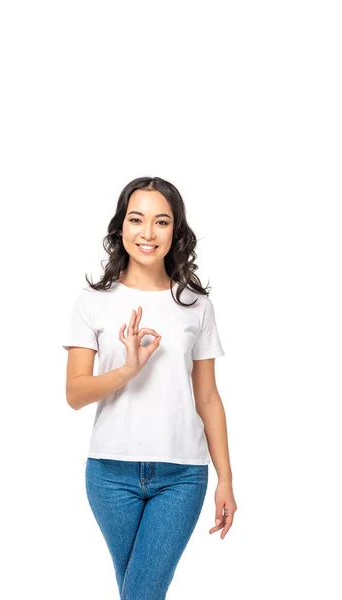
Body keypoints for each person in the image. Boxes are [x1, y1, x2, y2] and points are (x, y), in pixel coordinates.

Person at [62, 176, 237, 599]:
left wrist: (226, 478)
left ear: (175, 231)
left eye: (161, 222)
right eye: (136, 219)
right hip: (109, 474)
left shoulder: (196, 305)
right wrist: (127, 369)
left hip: (182, 476)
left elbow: (209, 398)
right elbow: (75, 394)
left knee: (139, 594)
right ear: (120, 227)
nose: (147, 233)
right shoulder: (92, 301)